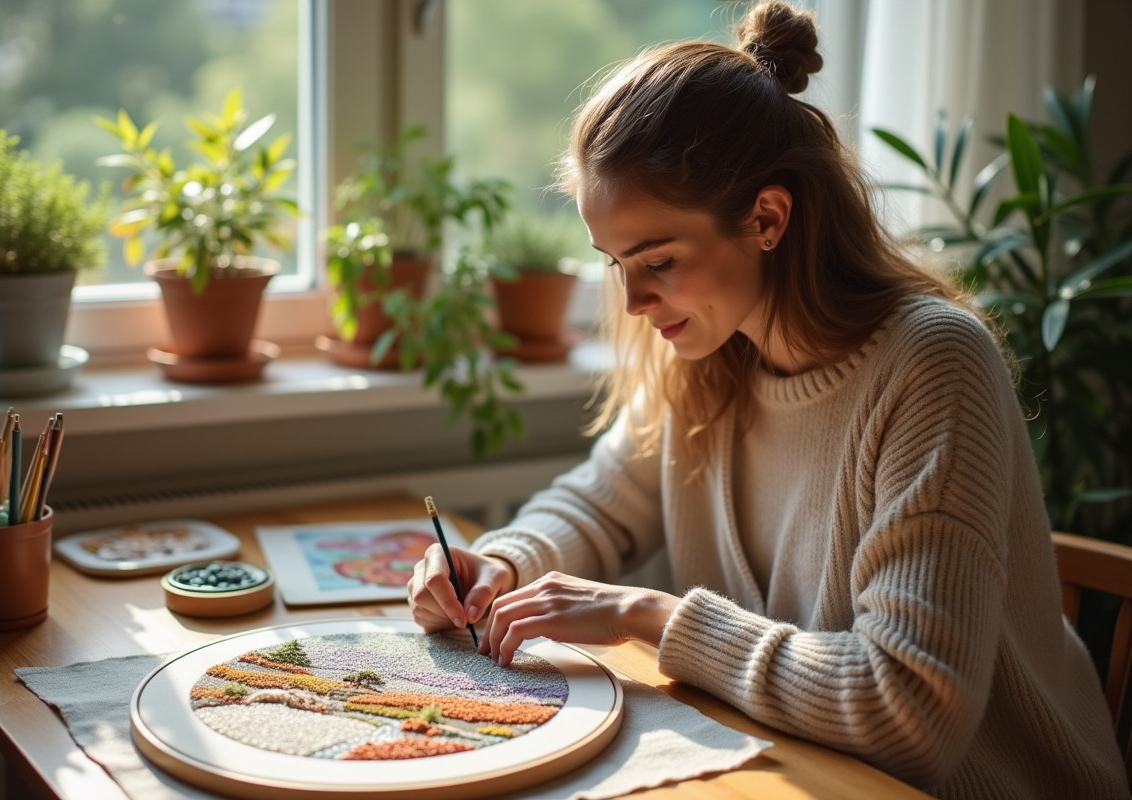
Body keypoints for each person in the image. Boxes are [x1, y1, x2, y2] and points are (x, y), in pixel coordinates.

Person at [406, 3, 1128, 797]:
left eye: (660, 260)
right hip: (798, 765)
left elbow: (910, 710)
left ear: (767, 218)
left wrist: (646, 616)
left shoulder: (933, 364)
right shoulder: (709, 348)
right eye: (616, 263)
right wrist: (501, 565)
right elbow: (602, 506)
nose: (637, 301)